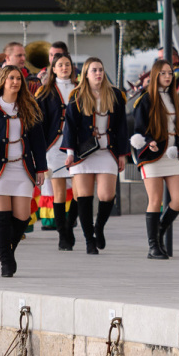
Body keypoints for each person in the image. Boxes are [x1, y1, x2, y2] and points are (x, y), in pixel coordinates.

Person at [0, 65, 49, 277]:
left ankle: (8, 251)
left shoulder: (29, 107)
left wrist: (41, 168)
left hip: (22, 168)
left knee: (23, 217)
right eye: (11, 78)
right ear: (2, 81)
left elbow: (38, 141)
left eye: (18, 79)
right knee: (2, 217)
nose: (15, 82)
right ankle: (6, 261)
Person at [63, 57, 127, 255]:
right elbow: (70, 126)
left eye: (100, 69)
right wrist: (70, 153)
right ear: (86, 74)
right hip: (84, 152)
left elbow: (122, 126)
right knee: (84, 197)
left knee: (107, 196)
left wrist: (122, 154)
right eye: (94, 70)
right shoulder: (77, 96)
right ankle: (89, 240)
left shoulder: (115, 95)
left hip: (107, 151)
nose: (98, 73)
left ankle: (99, 227)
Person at [130, 60, 179, 260]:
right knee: (155, 200)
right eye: (163, 73)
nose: (167, 76)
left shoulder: (176, 98)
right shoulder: (146, 99)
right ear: (156, 75)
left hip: (172, 155)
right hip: (152, 156)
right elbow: (139, 127)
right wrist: (149, 141)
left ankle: (159, 233)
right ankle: (153, 246)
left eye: (170, 73)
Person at [39, 53, 78, 249]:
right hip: (55, 146)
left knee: (79, 193)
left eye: (67, 64)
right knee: (59, 192)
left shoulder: (80, 89)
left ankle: (70, 226)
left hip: (78, 146)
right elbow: (40, 122)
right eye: (60, 65)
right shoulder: (46, 92)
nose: (64, 68)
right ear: (53, 69)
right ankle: (63, 234)